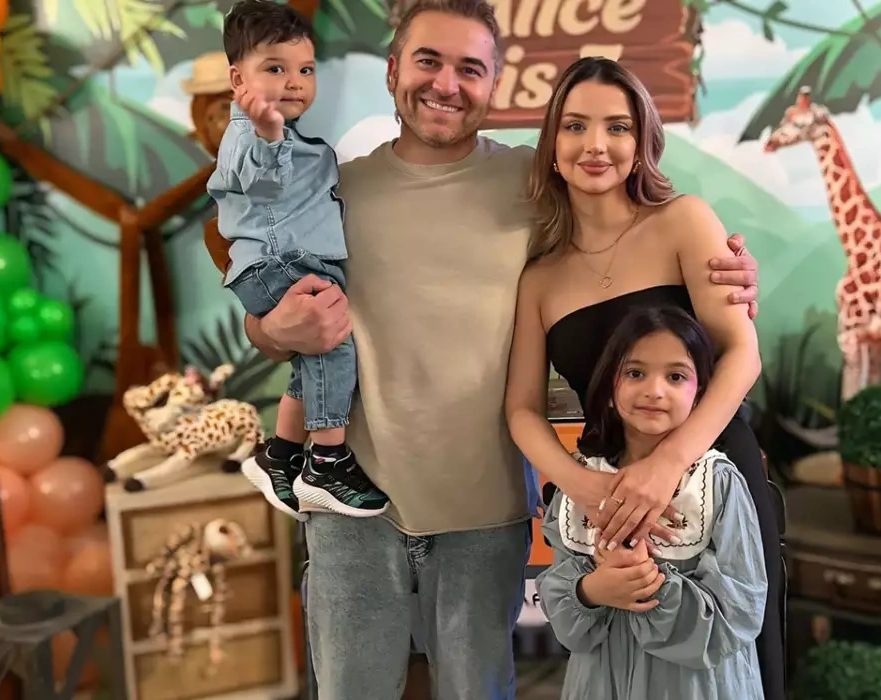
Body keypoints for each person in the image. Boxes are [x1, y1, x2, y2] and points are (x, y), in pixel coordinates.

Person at [232, 0, 762, 695]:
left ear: (494, 85)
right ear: (392, 70)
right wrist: (274, 330)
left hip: (484, 513)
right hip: (351, 505)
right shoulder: (332, 190)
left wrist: (732, 272)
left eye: (469, 68)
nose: (446, 84)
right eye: (428, 61)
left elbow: (645, 249)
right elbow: (264, 298)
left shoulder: (533, 185)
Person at [503, 57, 786, 698]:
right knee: (616, 655)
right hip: (609, 486)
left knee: (737, 657)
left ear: (641, 144)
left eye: (617, 127)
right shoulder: (540, 277)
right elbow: (521, 409)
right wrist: (581, 485)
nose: (595, 145)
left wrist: (670, 463)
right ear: (552, 146)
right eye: (575, 126)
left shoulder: (684, 221)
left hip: (713, 468)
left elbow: (742, 354)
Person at [208, 0, 388, 522]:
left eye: (305, 70)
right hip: (278, 262)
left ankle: (281, 454)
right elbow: (264, 185)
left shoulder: (290, 137)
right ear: (238, 79)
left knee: (311, 363)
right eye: (275, 68)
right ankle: (327, 460)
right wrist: (267, 135)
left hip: (290, 263)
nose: (294, 82)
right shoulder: (248, 135)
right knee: (333, 343)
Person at [537, 305, 766, 699]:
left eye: (676, 376)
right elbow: (561, 611)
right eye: (635, 373)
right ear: (610, 390)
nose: (654, 390)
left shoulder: (715, 484)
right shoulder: (582, 486)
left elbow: (741, 610)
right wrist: (591, 590)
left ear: (701, 395)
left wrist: (648, 583)